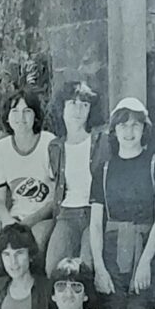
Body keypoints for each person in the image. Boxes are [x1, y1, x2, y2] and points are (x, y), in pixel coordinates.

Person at [90, 97, 155, 309]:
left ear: (144, 129)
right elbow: (96, 224)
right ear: (114, 130)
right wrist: (100, 268)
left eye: (135, 125)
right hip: (112, 255)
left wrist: (146, 262)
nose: (129, 131)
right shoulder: (104, 169)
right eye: (123, 125)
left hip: (146, 250)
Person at [0, 90, 56, 290]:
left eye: (27, 111)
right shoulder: (0, 149)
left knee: (35, 243)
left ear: (36, 115)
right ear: (7, 117)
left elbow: (55, 198)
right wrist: (8, 222)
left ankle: (36, 301)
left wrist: (29, 222)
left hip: (42, 218)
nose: (21, 117)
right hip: (13, 219)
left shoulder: (48, 142)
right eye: (15, 111)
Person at [44, 79, 109, 275]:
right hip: (66, 214)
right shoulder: (55, 147)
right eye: (73, 103)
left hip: (95, 213)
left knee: (86, 267)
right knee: (52, 268)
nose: (78, 110)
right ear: (62, 107)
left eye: (85, 105)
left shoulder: (101, 140)